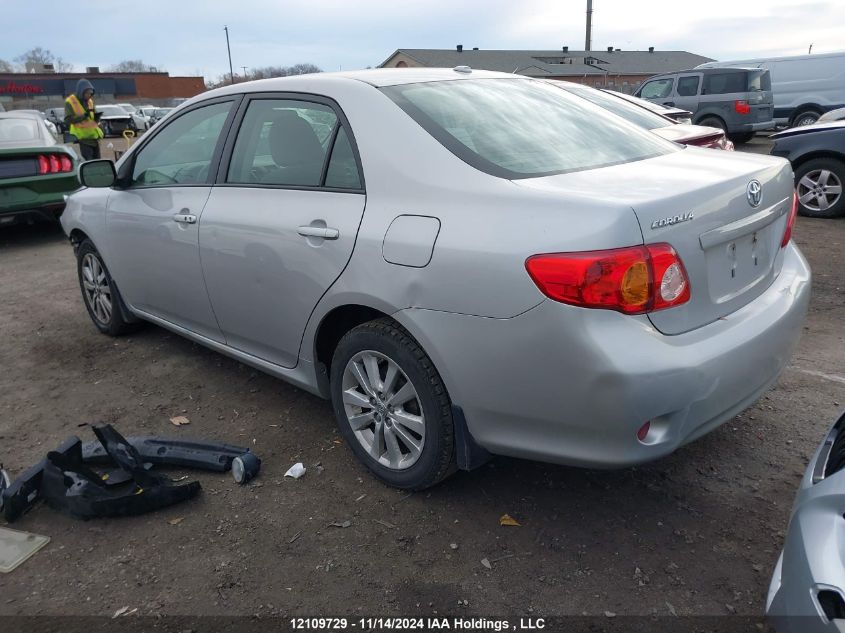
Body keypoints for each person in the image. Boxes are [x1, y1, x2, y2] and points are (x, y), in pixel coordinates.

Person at [64, 79, 104, 161]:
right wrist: (84, 116)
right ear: (81, 91)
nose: (89, 95)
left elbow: (92, 116)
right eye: (87, 93)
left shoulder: (90, 101)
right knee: (89, 162)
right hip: (83, 138)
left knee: (98, 161)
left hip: (94, 137)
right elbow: (68, 120)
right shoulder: (70, 101)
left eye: (91, 93)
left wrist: (97, 119)